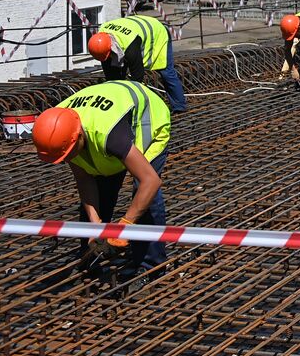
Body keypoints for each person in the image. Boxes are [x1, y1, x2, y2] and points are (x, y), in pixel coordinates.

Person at [31, 80, 173, 280]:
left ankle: (150, 266)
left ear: (79, 137)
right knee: (101, 189)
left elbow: (151, 181)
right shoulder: (58, 128)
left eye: (70, 153)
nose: (69, 159)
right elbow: (84, 179)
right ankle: (91, 255)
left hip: (148, 118)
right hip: (109, 122)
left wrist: (125, 225)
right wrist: (95, 225)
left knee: (144, 194)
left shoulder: (108, 134)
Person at [87, 15, 187, 113]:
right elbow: (111, 76)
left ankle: (179, 106)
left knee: (166, 73)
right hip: (134, 28)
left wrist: (132, 101)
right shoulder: (100, 41)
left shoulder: (130, 47)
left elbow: (138, 77)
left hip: (157, 32)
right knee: (115, 79)